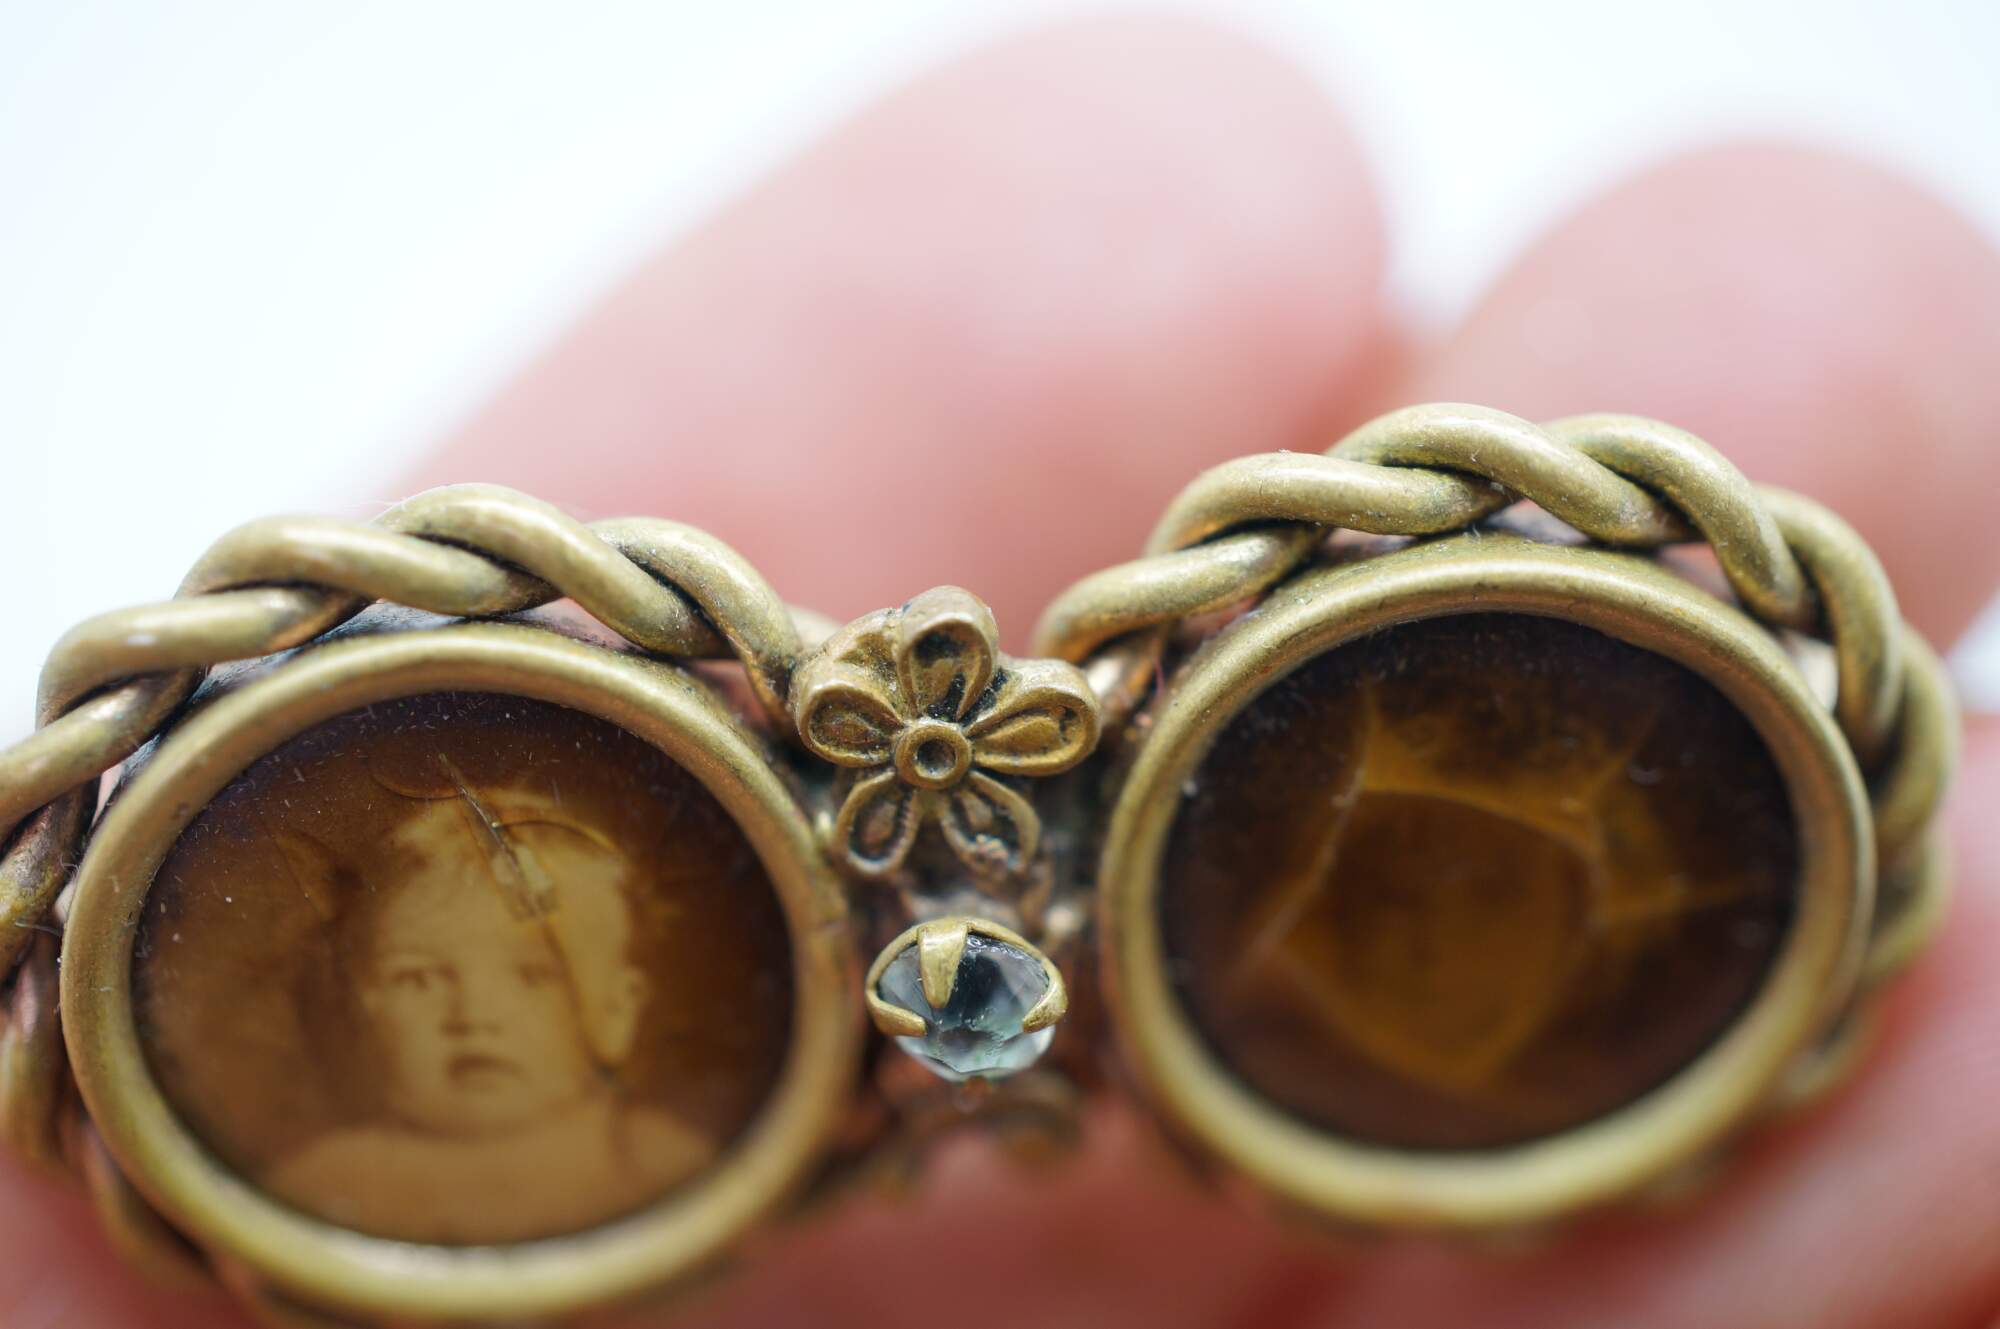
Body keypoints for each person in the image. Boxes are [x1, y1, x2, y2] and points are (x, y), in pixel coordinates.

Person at [11, 15, 2000, 1329]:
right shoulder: (355, 1165)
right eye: (424, 974)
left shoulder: (1441, 1047)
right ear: (341, 985)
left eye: (522, 965)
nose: (473, 1011)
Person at [263, 773, 713, 1245]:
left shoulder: (663, 1165)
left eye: (533, 977)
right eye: (419, 979)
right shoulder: (322, 1184)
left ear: (618, 1011)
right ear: (364, 1008)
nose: (474, 1016)